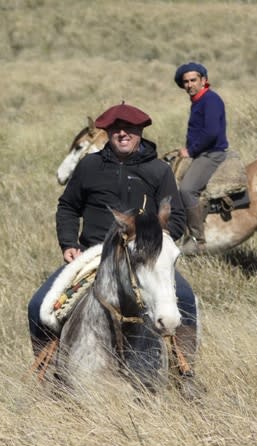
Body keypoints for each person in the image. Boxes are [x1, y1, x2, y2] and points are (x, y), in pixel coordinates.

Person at [27, 102, 204, 400]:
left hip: (144, 254)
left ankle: (184, 371)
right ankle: (49, 378)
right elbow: (68, 206)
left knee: (185, 300)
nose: (123, 134)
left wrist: (156, 240)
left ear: (140, 132)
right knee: (38, 305)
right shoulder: (89, 166)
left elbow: (174, 216)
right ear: (107, 133)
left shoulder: (158, 169)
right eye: (116, 130)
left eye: (130, 129)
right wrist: (68, 243)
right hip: (94, 253)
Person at [174, 62, 229, 253]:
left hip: (211, 154)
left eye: (193, 80)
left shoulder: (210, 100)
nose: (189, 85)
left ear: (204, 80)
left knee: (187, 189)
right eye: (186, 82)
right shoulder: (198, 101)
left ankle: (198, 238)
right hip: (202, 151)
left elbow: (211, 132)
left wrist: (191, 151)